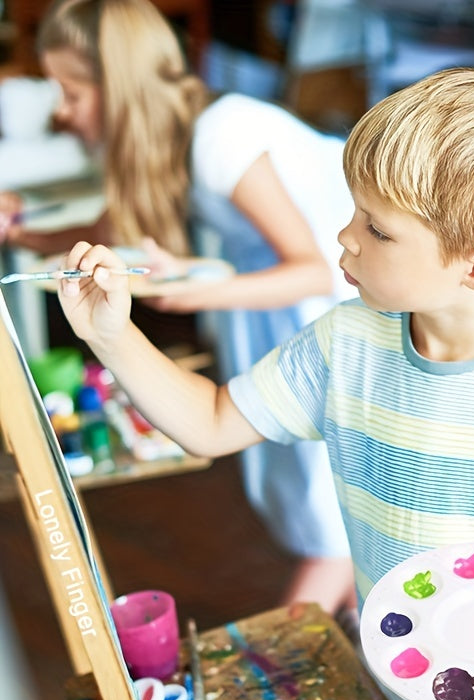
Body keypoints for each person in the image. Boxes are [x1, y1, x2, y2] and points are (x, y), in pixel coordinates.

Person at [54, 67, 474, 700]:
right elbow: (211, 423)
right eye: (353, 212)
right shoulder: (347, 343)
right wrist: (113, 337)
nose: (343, 237)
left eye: (377, 229)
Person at [0, 0, 357, 616]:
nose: (63, 111)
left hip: (326, 308)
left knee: (328, 519)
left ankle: (280, 665)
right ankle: (351, 629)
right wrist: (20, 231)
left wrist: (192, 290)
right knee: (307, 497)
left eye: (72, 92)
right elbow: (98, 231)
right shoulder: (170, 140)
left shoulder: (225, 137)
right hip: (277, 304)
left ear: (119, 86)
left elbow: (313, 268)